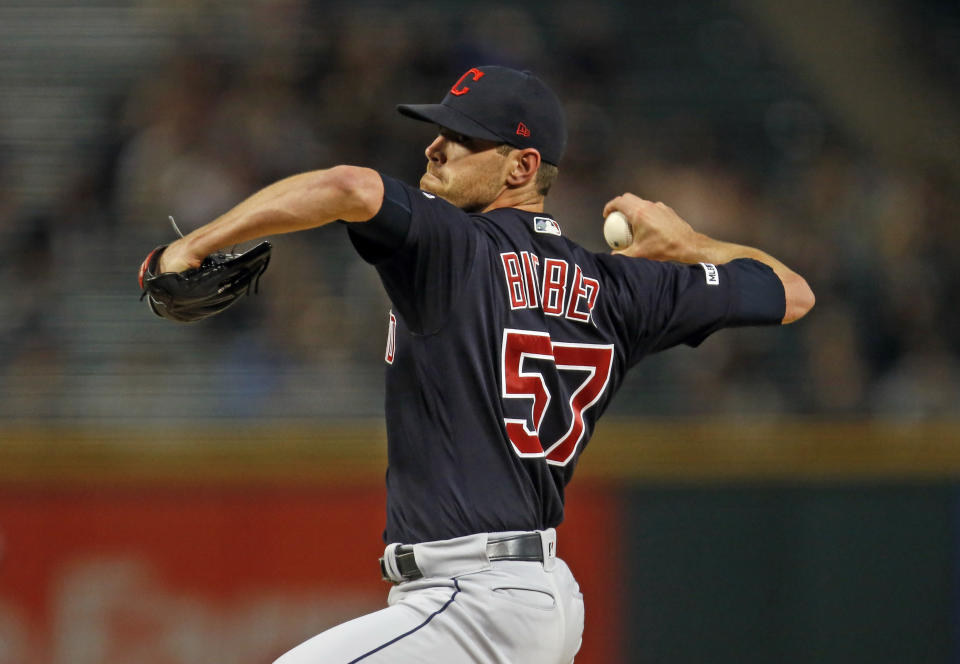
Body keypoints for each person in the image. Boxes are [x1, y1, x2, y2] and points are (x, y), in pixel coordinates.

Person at [154, 66, 814, 664]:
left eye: (462, 138)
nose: (434, 147)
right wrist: (694, 244)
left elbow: (347, 186)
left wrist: (197, 242)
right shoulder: (622, 290)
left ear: (521, 167)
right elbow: (790, 292)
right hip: (536, 592)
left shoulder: (453, 246)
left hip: (473, 600)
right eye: (438, 131)